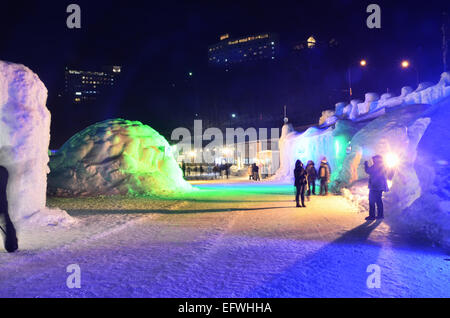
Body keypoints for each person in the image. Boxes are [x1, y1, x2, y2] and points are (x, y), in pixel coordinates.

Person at [364, 155, 394, 220]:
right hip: (378, 186)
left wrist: (366, 165)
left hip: (375, 186)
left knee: (372, 201)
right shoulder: (381, 166)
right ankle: (380, 215)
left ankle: (372, 216)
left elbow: (368, 171)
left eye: (374, 159)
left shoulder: (376, 166)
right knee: (378, 200)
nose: (373, 161)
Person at [0, 166, 18, 253]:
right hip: (2, 201)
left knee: (7, 221)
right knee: (7, 221)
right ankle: (12, 244)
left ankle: (11, 243)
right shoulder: (3, 171)